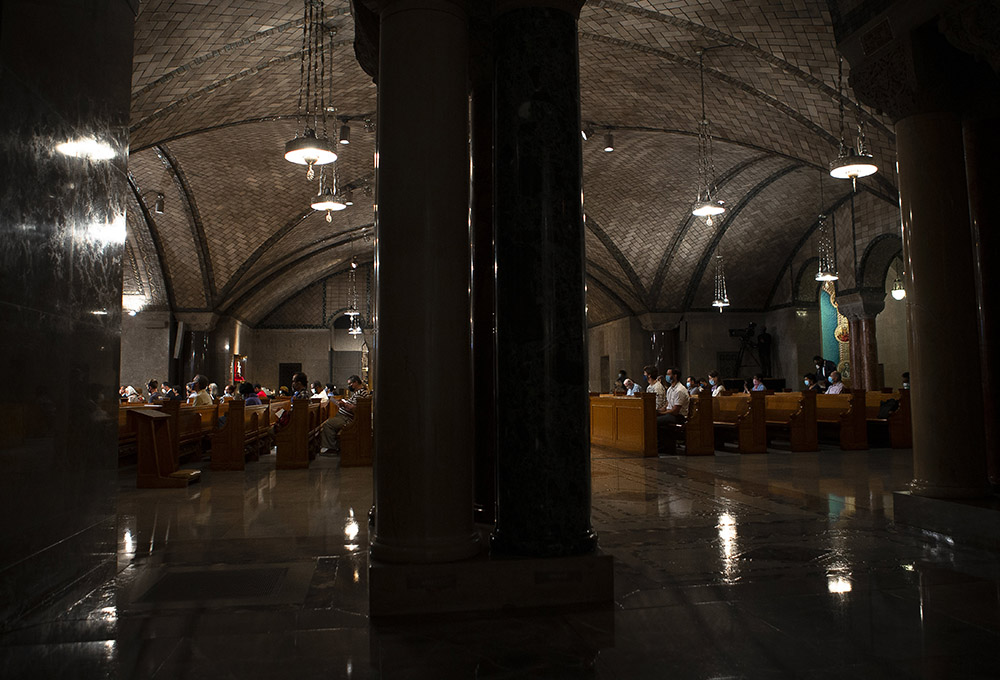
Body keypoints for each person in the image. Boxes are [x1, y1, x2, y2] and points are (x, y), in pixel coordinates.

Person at [321, 374, 370, 455]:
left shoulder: (362, 392)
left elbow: (356, 408)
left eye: (350, 384)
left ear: (356, 382)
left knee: (327, 424)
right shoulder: (358, 392)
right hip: (344, 416)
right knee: (329, 422)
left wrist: (344, 404)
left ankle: (331, 448)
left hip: (347, 419)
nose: (349, 386)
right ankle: (333, 445)